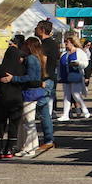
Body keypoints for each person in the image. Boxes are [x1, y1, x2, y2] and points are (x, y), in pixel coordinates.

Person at [0, 35, 26, 160]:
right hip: (16, 99)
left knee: (0, 124)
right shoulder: (20, 69)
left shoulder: (1, 68)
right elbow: (25, 82)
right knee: (13, 124)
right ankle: (9, 148)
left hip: (3, 99)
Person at [13, 37, 46, 158]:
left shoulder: (30, 59)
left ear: (28, 46)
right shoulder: (36, 58)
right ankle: (26, 145)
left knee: (28, 121)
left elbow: (30, 77)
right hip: (32, 92)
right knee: (26, 120)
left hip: (29, 93)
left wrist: (14, 78)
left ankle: (29, 148)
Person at [34, 20, 59, 151]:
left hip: (45, 79)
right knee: (45, 110)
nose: (35, 29)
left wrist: (40, 77)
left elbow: (42, 61)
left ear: (42, 30)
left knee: (43, 110)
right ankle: (48, 139)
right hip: (52, 78)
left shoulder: (44, 44)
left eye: (37, 27)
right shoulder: (54, 44)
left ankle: (48, 139)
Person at [58, 35, 90, 121]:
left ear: (72, 42)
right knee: (66, 96)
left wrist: (78, 63)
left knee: (76, 94)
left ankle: (84, 109)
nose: (65, 44)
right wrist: (59, 76)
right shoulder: (64, 53)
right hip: (65, 76)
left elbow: (86, 63)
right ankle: (65, 114)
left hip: (75, 75)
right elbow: (59, 65)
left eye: (67, 42)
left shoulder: (79, 52)